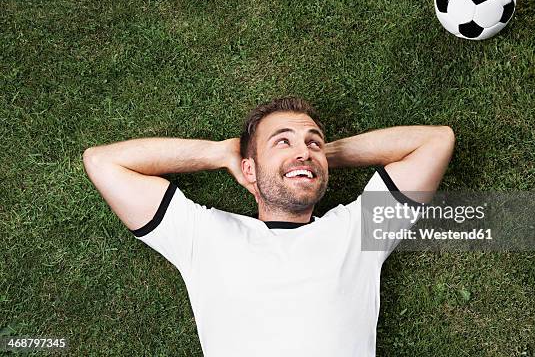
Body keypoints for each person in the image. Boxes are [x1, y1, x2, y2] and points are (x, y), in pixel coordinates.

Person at [82, 96, 455, 356]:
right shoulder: (203, 235)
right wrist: (217, 153)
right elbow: (103, 162)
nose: (303, 149)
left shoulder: (358, 231)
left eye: (313, 142)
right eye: (283, 142)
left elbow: (436, 141)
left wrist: (315, 161)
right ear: (249, 169)